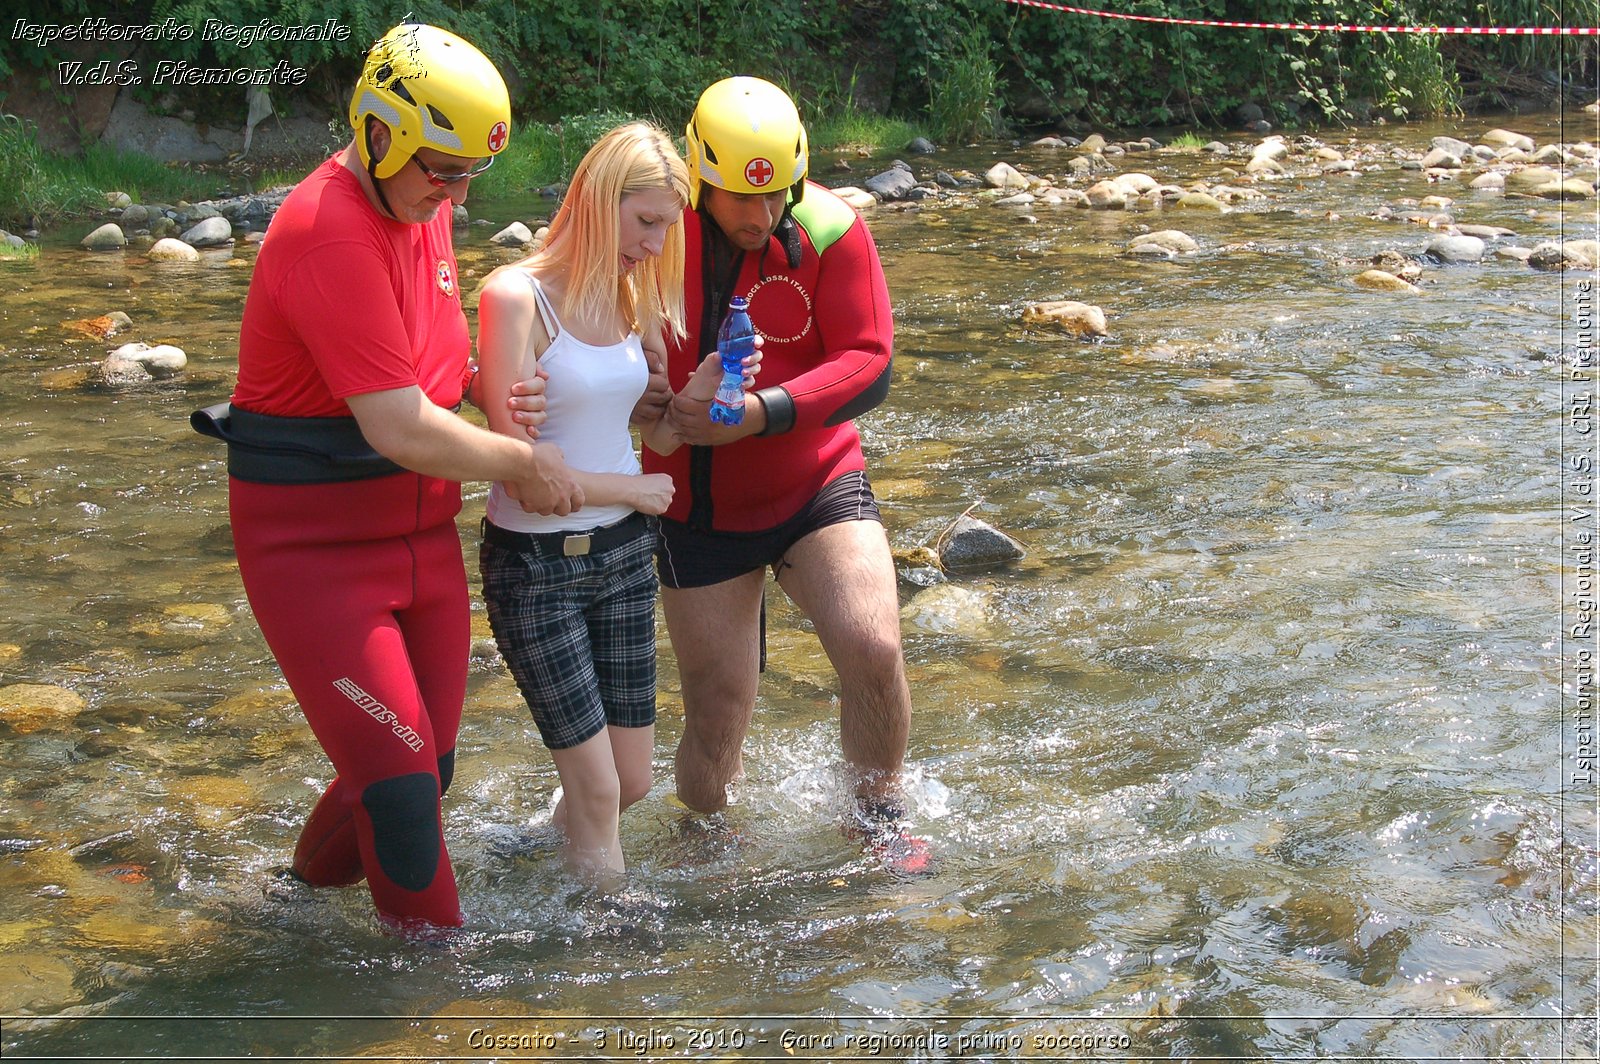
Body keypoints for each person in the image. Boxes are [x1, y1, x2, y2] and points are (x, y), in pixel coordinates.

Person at [191, 22, 581, 931]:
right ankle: (435, 1001)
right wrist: (526, 464)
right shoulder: (329, 232)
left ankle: (285, 910)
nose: (455, 192)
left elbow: (433, 365)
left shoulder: (422, 202)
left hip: (417, 537)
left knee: (425, 766)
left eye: (467, 174)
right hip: (314, 553)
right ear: (377, 131)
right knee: (404, 785)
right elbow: (400, 424)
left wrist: (494, 390)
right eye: (439, 169)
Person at [640, 76, 928, 871]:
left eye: (776, 197)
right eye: (739, 199)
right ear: (699, 174)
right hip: (695, 514)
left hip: (814, 484)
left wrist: (761, 412)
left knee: (872, 645)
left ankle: (879, 819)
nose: (760, 218)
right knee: (717, 716)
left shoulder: (830, 229)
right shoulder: (648, 225)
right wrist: (642, 394)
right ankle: (704, 836)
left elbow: (869, 363)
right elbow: (570, 316)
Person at [475, 122, 751, 882]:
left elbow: (655, 429)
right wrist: (631, 487)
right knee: (598, 789)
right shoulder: (515, 299)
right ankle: (616, 955)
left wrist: (707, 382)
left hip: (623, 557)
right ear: (601, 201)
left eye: (668, 226)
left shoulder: (632, 299)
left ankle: (532, 856)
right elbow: (522, 469)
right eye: (648, 222)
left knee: (630, 783)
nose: (659, 245)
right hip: (538, 567)